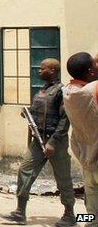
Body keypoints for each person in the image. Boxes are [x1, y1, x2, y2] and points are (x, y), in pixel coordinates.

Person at [0, 58, 76, 226]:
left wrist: (53, 142)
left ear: (53, 71)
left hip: (55, 142)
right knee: (24, 171)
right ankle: (20, 212)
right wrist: (27, 113)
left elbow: (65, 119)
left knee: (63, 178)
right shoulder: (42, 90)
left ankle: (70, 215)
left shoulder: (61, 91)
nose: (39, 71)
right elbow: (38, 111)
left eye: (43, 69)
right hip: (38, 140)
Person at [63, 52, 98, 227]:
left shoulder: (68, 91)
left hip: (87, 160)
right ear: (91, 72)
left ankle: (85, 222)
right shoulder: (93, 91)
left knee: (92, 213)